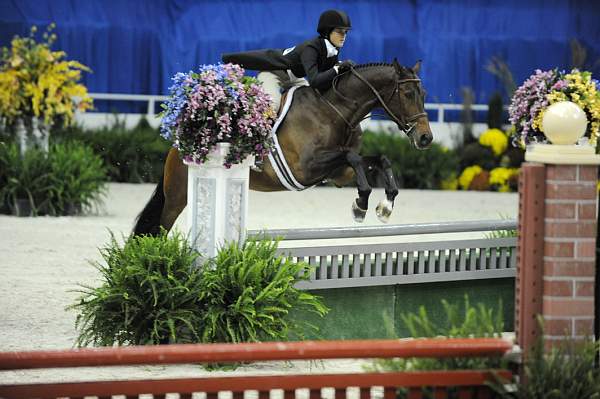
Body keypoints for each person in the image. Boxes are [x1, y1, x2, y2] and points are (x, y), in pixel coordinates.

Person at [221, 9, 356, 111]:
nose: (343, 36)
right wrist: (336, 68)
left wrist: (341, 70)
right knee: (273, 106)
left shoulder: (334, 48)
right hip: (274, 74)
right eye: (340, 31)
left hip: (295, 78)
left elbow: (326, 78)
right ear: (328, 31)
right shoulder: (311, 48)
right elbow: (315, 81)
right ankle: (265, 142)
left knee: (312, 102)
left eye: (345, 32)